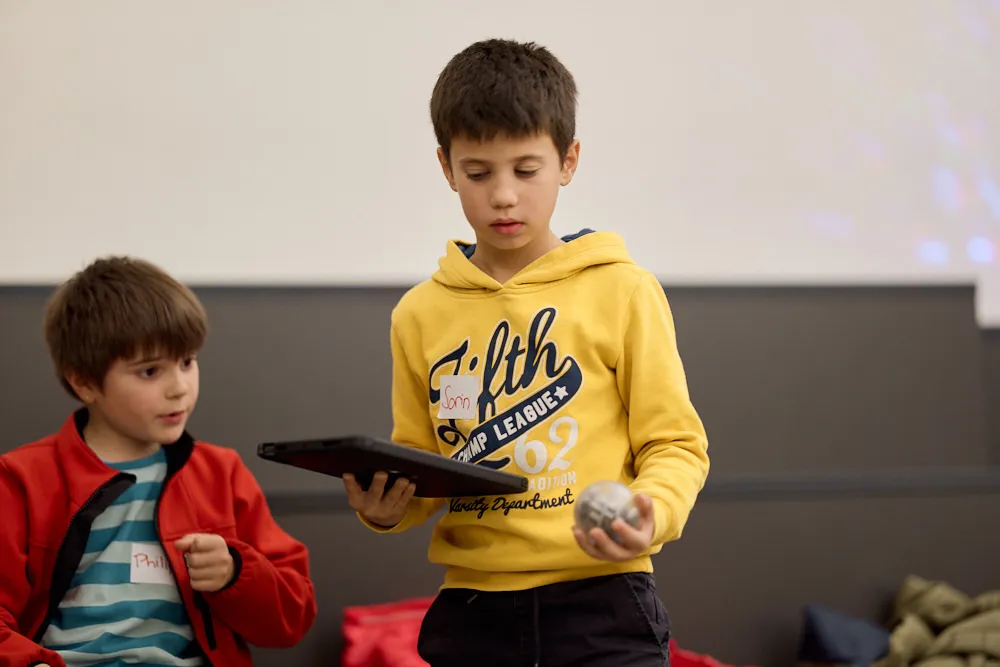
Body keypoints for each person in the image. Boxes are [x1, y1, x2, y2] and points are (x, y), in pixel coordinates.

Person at [343, 38, 710, 667]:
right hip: (472, 612)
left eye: (526, 169)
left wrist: (654, 510)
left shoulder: (623, 289)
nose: (504, 196)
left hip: (604, 600)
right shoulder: (419, 314)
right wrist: (386, 510)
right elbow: (427, 467)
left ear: (568, 161)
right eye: (479, 173)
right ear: (446, 168)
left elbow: (675, 444)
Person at [0, 256, 317, 667]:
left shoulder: (221, 473)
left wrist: (236, 573)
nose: (179, 388)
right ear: (84, 382)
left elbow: (291, 620)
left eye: (187, 362)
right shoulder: (22, 478)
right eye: (150, 371)